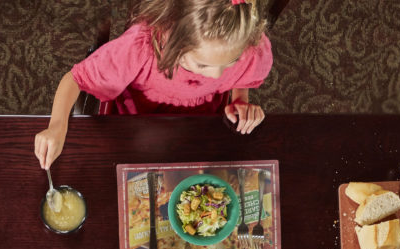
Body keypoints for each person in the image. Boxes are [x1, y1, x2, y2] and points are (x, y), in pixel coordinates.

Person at [35, 0, 273, 169]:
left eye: (231, 62)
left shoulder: (248, 47)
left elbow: (241, 80)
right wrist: (57, 126)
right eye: (202, 65)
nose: (217, 75)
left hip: (203, 122)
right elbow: (75, 79)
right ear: (174, 42)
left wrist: (240, 100)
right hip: (136, 120)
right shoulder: (139, 48)